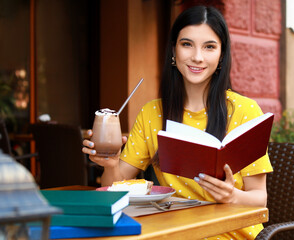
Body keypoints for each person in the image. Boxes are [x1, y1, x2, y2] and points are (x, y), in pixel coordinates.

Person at [82, 5, 273, 239]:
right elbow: (113, 190)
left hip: (231, 234)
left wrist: (231, 195)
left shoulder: (244, 110)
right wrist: (110, 166)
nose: (197, 57)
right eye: (187, 44)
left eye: (209, 47)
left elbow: (259, 198)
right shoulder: (152, 113)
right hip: (172, 232)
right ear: (174, 51)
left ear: (222, 55)